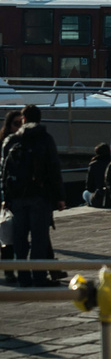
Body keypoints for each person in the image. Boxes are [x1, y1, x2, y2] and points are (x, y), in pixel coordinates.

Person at [0, 105, 64, 285]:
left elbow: (4, 171)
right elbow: (53, 169)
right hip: (40, 196)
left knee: (20, 238)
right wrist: (59, 197)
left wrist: (7, 197)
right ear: (40, 119)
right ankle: (39, 277)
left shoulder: (11, 141)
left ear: (24, 119)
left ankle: (23, 277)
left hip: (18, 197)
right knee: (39, 238)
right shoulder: (45, 139)